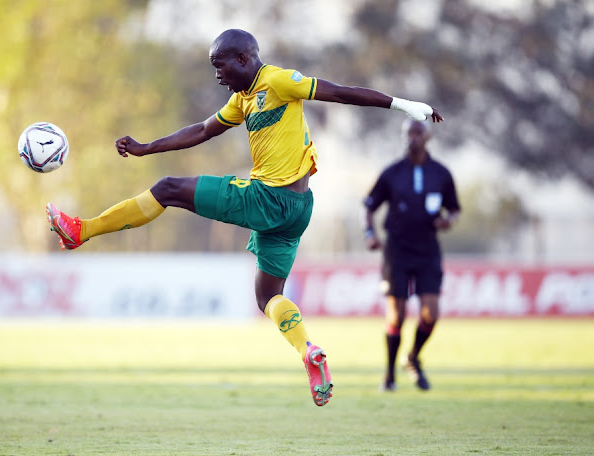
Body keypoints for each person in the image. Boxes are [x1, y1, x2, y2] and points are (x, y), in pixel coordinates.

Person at [46, 29, 443, 406]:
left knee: (168, 189)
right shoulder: (244, 98)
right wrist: (148, 147)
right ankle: (309, 350)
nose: (218, 76)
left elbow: (339, 93)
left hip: (267, 200)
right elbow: (202, 130)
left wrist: (402, 104)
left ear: (243, 58)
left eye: (221, 66)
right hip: (296, 211)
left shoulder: (279, 81)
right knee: (268, 296)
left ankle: (83, 231)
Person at [363, 119, 460, 392]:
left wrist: (449, 220)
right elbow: (368, 205)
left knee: (431, 313)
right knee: (397, 315)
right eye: (408, 133)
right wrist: (369, 234)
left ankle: (413, 357)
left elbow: (454, 208)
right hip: (397, 250)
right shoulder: (392, 173)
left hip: (428, 249)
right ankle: (389, 376)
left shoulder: (440, 173)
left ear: (427, 136)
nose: (412, 138)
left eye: (418, 133)